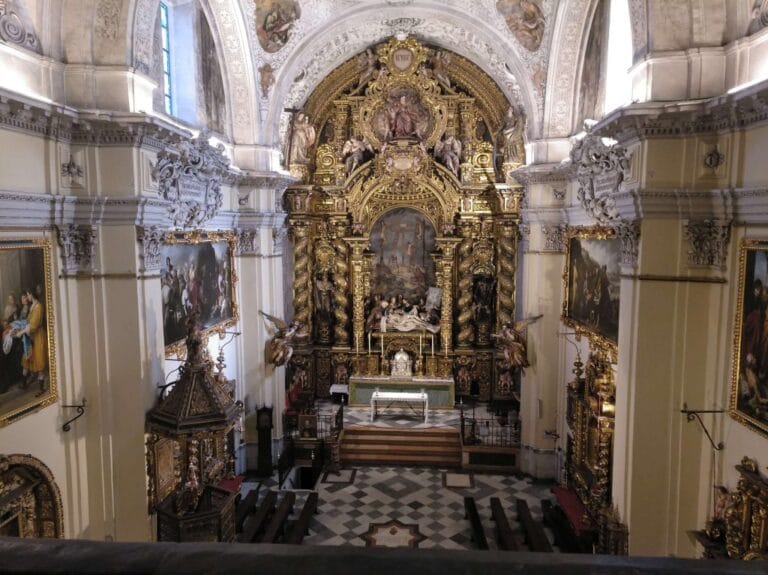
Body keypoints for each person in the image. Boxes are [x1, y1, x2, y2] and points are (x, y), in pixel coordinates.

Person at [22, 288, 47, 393]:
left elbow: (33, 325)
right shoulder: (32, 306)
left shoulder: (38, 306)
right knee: (27, 359)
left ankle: (41, 389)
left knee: (40, 361)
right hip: (31, 337)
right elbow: (28, 321)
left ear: (31, 294)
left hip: (38, 337)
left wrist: (22, 331)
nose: (27, 297)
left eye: (28, 295)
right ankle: (24, 384)